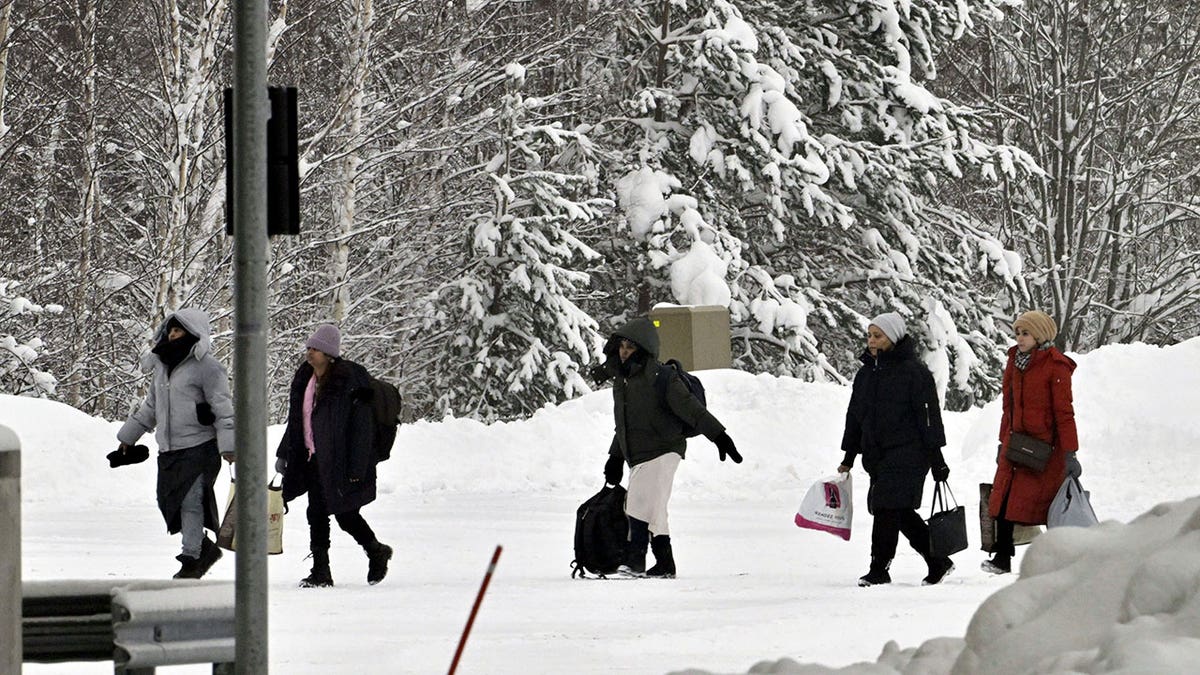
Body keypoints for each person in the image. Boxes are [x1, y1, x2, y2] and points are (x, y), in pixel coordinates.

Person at [592, 317, 741, 579]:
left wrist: (720, 436)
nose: (625, 352)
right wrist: (615, 457)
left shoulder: (662, 378)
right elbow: (624, 425)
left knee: (637, 503)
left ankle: (634, 561)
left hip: (663, 448)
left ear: (644, 349)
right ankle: (665, 564)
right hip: (638, 453)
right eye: (622, 346)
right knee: (655, 509)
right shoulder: (623, 381)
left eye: (631, 347)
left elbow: (692, 410)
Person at [116, 308, 235, 579]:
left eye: (178, 330)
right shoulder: (162, 366)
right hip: (169, 449)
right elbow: (151, 406)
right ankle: (204, 547)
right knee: (167, 501)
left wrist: (228, 446)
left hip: (200, 447)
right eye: (170, 330)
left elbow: (223, 408)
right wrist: (127, 437)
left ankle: (191, 560)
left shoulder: (208, 368)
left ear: (193, 333)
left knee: (190, 502)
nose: (172, 335)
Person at [838, 312, 953, 587]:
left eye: (878, 336)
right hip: (878, 455)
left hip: (910, 453)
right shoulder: (866, 373)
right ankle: (938, 559)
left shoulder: (914, 373)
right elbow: (855, 417)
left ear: (894, 337)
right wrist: (849, 457)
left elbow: (928, 418)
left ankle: (879, 568)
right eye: (870, 335)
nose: (872, 341)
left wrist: (937, 459)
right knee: (897, 510)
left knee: (886, 508)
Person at [274, 324, 392, 587]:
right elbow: (299, 420)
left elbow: (361, 429)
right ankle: (321, 571)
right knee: (315, 513)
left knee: (345, 514)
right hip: (313, 459)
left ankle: (376, 550)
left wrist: (356, 469)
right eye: (309, 348)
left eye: (315, 349)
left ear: (329, 353)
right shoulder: (305, 378)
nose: (310, 353)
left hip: (341, 461)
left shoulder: (350, 380)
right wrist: (285, 452)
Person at [983, 310, 1079, 575]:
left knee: (1049, 507)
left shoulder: (1056, 365)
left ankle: (1066, 557)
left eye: (1025, 333)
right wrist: (1003, 442)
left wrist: (1071, 453)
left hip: (1045, 450)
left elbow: (1064, 412)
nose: (1020, 338)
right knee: (1003, 500)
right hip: (1016, 445)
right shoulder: (1015, 361)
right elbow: (1008, 407)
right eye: (1017, 333)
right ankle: (1002, 558)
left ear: (1040, 334)